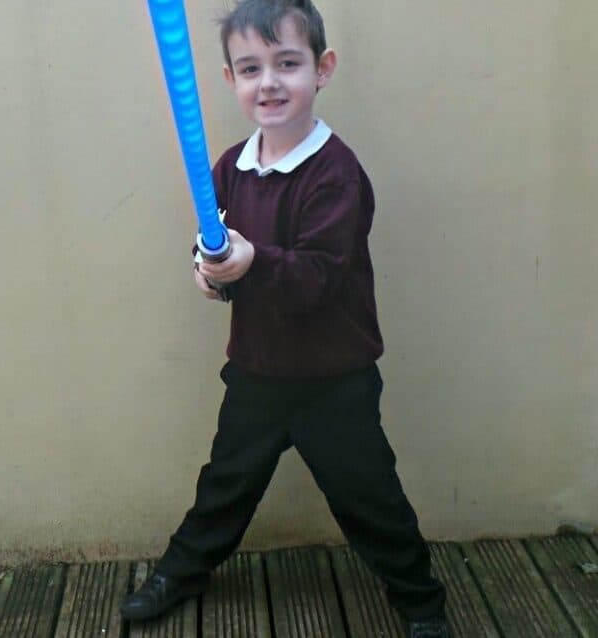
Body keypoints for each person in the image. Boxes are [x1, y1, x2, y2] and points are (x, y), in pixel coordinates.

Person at [122, 1, 449, 635]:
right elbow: (211, 241)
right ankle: (182, 571)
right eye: (250, 68)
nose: (268, 82)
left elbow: (315, 279)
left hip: (335, 380)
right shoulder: (229, 168)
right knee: (224, 485)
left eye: (287, 63)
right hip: (258, 373)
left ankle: (421, 600)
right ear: (229, 81)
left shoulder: (336, 175)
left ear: (322, 69)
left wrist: (249, 265)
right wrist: (209, 272)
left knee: (371, 499)